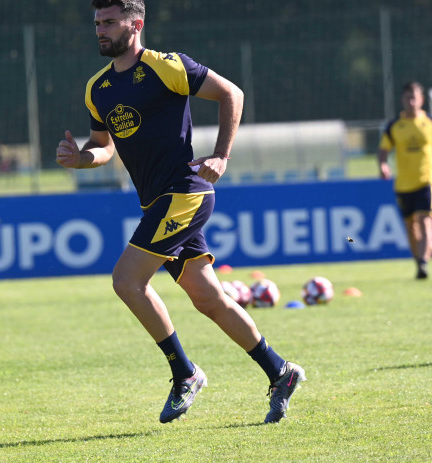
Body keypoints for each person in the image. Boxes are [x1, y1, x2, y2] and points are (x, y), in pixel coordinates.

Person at [56, 0, 305, 424]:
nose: (100, 29)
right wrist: (80, 159)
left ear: (135, 24)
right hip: (158, 203)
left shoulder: (166, 66)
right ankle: (280, 371)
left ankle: (184, 373)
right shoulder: (96, 88)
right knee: (209, 299)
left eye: (110, 21)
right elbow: (104, 146)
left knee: (126, 280)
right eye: (97, 22)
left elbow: (232, 93)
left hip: (185, 194)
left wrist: (222, 156)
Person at [378, 81, 432, 279]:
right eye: (408, 97)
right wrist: (383, 165)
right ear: (402, 100)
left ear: (422, 100)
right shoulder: (394, 127)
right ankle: (419, 261)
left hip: (427, 181)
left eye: (415, 97)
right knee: (410, 226)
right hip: (404, 185)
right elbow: (383, 150)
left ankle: (423, 264)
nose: (412, 101)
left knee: (425, 222)